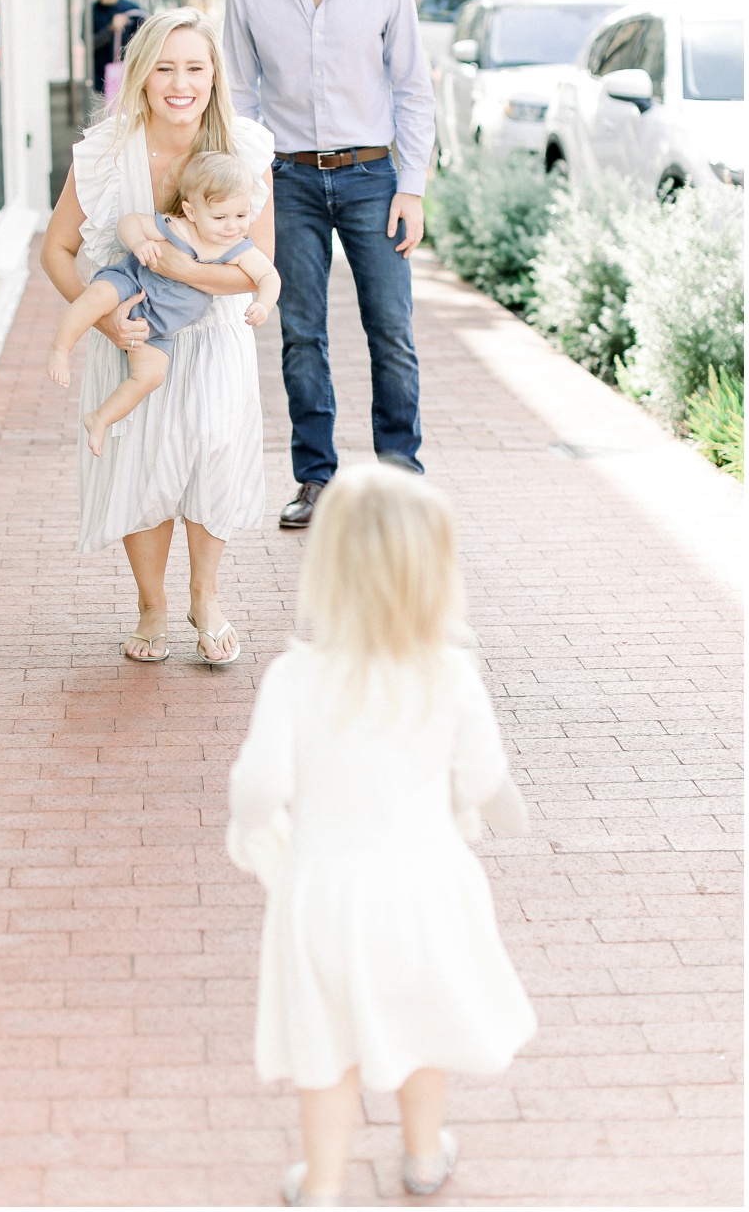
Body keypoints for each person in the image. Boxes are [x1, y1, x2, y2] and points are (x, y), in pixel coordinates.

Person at [227, 463, 536, 1206]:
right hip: (426, 888)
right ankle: (424, 1155)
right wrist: (503, 813)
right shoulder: (448, 675)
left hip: (322, 893)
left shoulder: (294, 679)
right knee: (424, 1022)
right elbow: (485, 779)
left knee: (323, 1046)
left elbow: (259, 786)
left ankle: (326, 1182)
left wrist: (253, 825)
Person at [41, 8, 275, 665]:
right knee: (142, 465)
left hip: (216, 338)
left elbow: (257, 267)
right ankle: (152, 606)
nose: (180, 82)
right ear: (142, 73)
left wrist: (182, 268)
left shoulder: (246, 150)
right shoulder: (104, 155)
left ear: (213, 74)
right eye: (165, 67)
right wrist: (107, 320)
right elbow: (58, 251)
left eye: (195, 67)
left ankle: (206, 596)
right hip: (135, 337)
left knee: (212, 459)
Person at [223, 0, 436, 530]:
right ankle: (315, 478)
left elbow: (412, 87)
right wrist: (251, 183)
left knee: (391, 330)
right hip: (286, 180)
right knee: (299, 332)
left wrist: (412, 186)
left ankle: (400, 478)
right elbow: (236, 92)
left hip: (374, 176)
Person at [47, 149, 280, 460]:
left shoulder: (238, 248)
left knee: (150, 377)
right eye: (220, 217)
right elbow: (131, 222)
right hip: (132, 284)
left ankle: (100, 418)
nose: (232, 226)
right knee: (96, 297)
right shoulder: (178, 227)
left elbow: (268, 275)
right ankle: (61, 349)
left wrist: (264, 304)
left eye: (241, 216)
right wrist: (139, 243)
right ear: (192, 211)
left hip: (159, 328)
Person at [90, 0, 146, 96]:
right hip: (100, 82)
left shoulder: (131, 9)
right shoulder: (92, 12)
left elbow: (145, 39)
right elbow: (90, 43)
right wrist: (110, 28)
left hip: (128, 78)